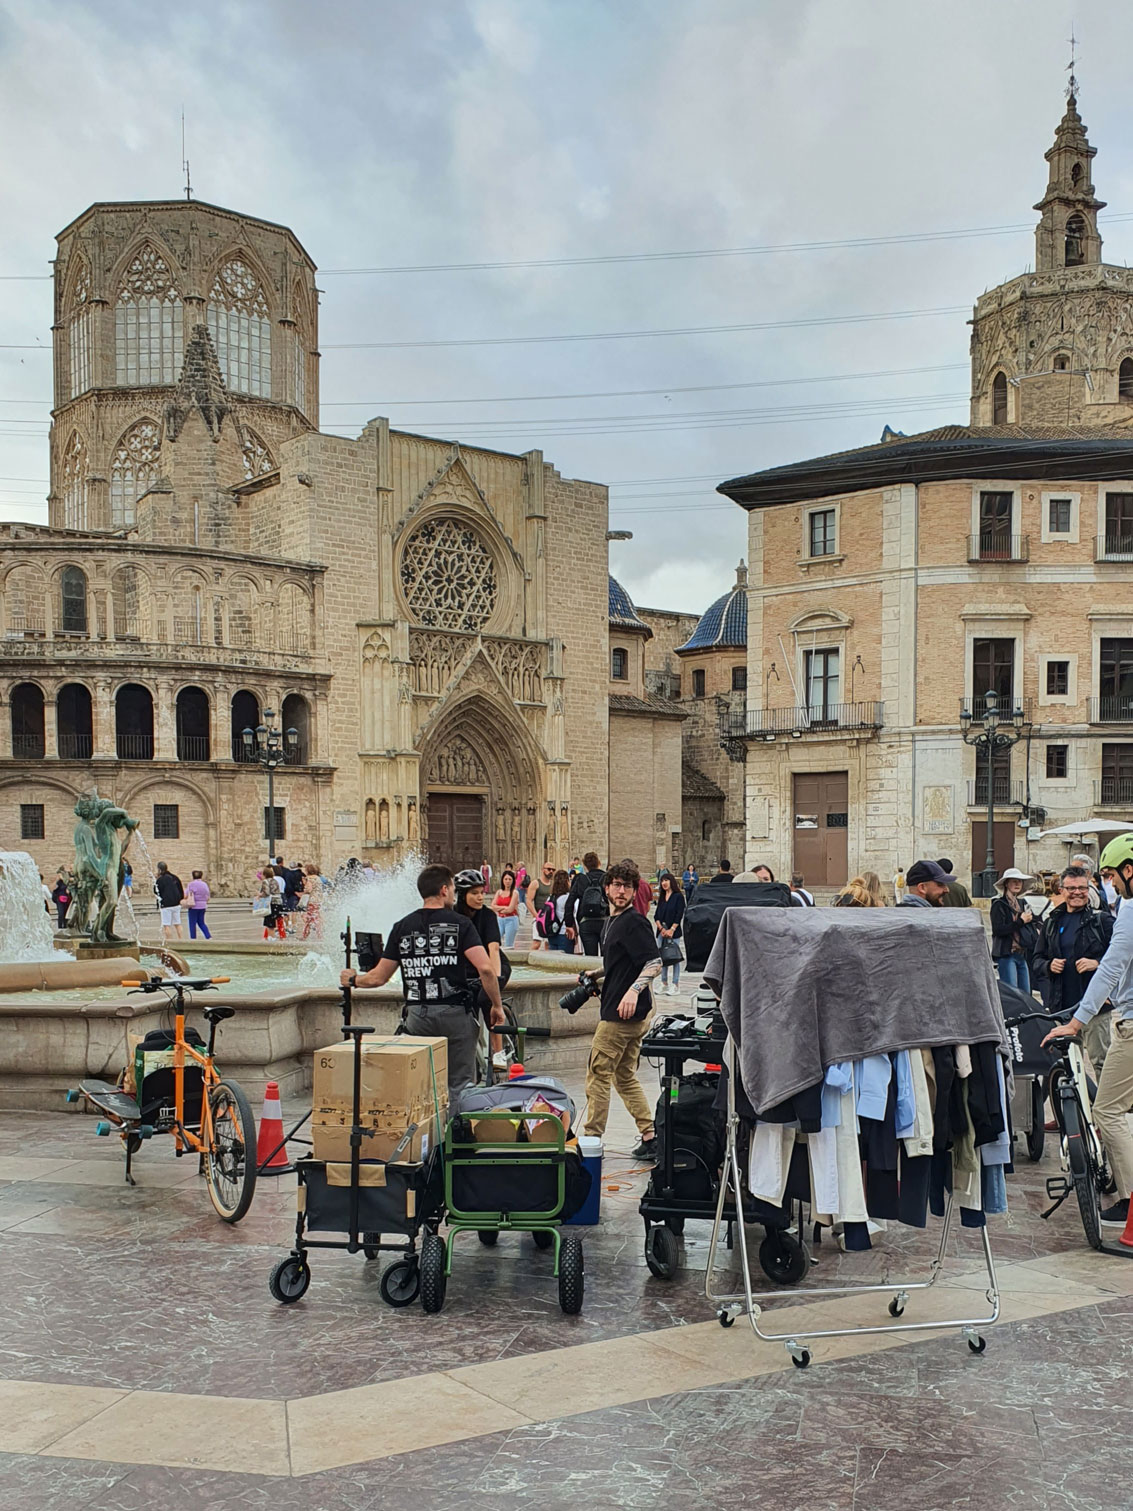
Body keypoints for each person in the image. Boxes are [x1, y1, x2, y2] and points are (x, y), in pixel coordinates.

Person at [341, 864, 505, 1098]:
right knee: (459, 1085)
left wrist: (353, 979)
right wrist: (497, 1006)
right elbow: (486, 969)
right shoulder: (460, 924)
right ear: (444, 890)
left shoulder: (402, 927)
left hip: (417, 1015)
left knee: (420, 1085)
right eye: (452, 888)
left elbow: (378, 977)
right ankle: (454, 1131)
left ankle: (426, 1133)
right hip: (455, 1013)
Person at [1043, 832, 1133, 1232]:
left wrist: (1076, 1021)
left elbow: (1112, 966)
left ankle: (1131, 1202)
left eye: (1112, 876)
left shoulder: (1127, 909)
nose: (1109, 885)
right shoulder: (1055, 921)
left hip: (1124, 1021)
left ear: (1129, 871)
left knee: (1107, 1110)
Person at [583, 859, 662, 1160]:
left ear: (633, 890)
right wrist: (598, 974)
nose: (621, 891)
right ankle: (650, 1134)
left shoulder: (635, 921)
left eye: (627, 886)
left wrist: (632, 991)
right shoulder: (611, 921)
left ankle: (591, 1140)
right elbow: (623, 962)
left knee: (598, 1074)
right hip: (628, 1013)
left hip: (621, 1015)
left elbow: (654, 962)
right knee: (624, 1076)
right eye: (616, 885)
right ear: (607, 888)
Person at [1032, 866, 1114, 1073]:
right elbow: (1036, 960)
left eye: (1082, 888)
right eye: (1072, 888)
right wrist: (1049, 966)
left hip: (1095, 1006)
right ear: (1062, 890)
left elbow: (1122, 958)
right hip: (1063, 1007)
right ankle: (1075, 1105)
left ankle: (1104, 1105)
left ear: (1089, 889)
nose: (1077, 892)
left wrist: (1097, 963)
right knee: (1067, 1064)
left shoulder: (1101, 921)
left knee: (1101, 1062)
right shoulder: (1051, 922)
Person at [455, 867, 509, 1070]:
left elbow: (493, 949)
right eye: (474, 893)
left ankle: (498, 1053)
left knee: (486, 999)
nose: (480, 897)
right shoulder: (453, 916)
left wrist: (493, 979)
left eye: (481, 892)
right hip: (467, 968)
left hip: (494, 964)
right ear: (462, 895)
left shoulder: (487, 916)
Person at [990, 868, 1036, 990]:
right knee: (1012, 993)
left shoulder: (1022, 903)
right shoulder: (998, 904)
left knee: (1026, 992)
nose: (1017, 884)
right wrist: (1021, 921)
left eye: (1020, 882)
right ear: (1006, 883)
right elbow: (998, 930)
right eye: (1014, 881)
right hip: (1006, 954)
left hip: (1022, 953)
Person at [565, 851, 608, 957]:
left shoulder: (580, 879)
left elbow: (570, 902)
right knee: (607, 956)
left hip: (586, 921)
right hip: (605, 921)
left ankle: (592, 973)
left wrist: (569, 924)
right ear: (599, 863)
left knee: (590, 957)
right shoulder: (607, 878)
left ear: (584, 865)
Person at [654, 871, 685, 996]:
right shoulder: (661, 897)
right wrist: (661, 929)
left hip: (674, 932)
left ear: (671, 881)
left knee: (674, 957)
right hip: (661, 931)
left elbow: (679, 914)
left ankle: (675, 984)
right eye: (662, 881)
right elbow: (656, 915)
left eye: (666, 880)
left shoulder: (678, 896)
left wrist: (671, 929)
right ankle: (664, 982)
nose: (664, 883)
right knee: (663, 958)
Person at [537, 868, 574, 951]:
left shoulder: (550, 898)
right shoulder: (567, 898)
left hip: (553, 934)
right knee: (566, 961)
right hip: (565, 933)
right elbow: (573, 914)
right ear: (567, 882)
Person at [526, 861, 556, 950]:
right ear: (543, 870)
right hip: (539, 916)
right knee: (536, 943)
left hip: (549, 918)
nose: (551, 871)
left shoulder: (553, 885)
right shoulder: (536, 883)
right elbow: (528, 900)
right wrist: (536, 916)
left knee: (548, 944)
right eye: (549, 869)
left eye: (553, 870)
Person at [154, 861, 185, 942]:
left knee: (167, 925)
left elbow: (156, 891)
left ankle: (169, 941)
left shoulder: (160, 880)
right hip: (176, 903)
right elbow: (180, 889)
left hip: (166, 905)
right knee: (178, 924)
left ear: (159, 869)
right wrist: (179, 899)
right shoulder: (174, 877)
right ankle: (181, 940)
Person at [491, 869, 521, 950]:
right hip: (500, 919)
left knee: (508, 944)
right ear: (502, 880)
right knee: (495, 941)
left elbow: (510, 909)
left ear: (513, 881)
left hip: (511, 919)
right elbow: (493, 906)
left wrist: (499, 908)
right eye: (506, 879)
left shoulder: (515, 893)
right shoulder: (499, 892)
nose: (507, 881)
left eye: (510, 879)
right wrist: (504, 907)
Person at [258, 864, 287, 941]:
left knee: (269, 921)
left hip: (270, 903)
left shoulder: (265, 881)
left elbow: (266, 893)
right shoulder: (275, 881)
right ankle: (275, 936)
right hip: (278, 902)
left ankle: (271, 937)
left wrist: (259, 895)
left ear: (265, 875)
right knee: (275, 918)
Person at [185, 870, 211, 940]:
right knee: (201, 922)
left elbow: (186, 894)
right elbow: (208, 895)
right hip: (203, 906)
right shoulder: (204, 884)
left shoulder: (191, 884)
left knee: (192, 923)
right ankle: (208, 936)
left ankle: (193, 938)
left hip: (194, 906)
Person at [301, 862, 324, 940]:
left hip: (312, 900)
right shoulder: (318, 878)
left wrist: (304, 887)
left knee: (310, 918)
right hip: (318, 900)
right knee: (314, 917)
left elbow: (309, 889)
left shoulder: (309, 878)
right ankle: (312, 934)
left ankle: (307, 935)